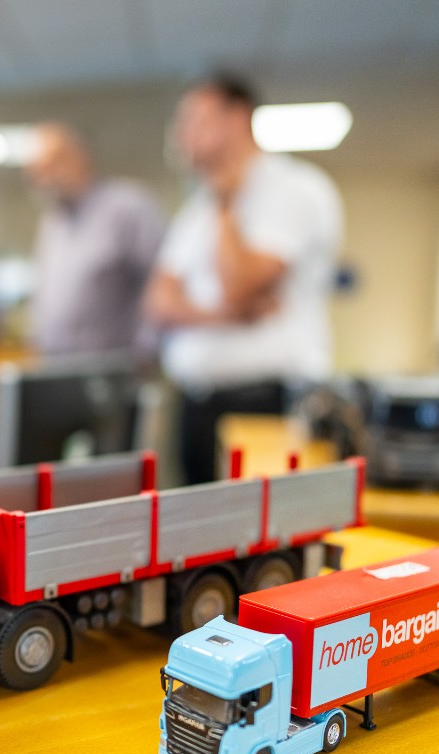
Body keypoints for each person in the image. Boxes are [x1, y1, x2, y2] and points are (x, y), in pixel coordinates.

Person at [144, 74, 343, 484]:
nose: (182, 134)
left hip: (264, 405)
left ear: (237, 118)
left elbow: (238, 283)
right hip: (196, 404)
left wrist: (226, 206)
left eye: (194, 120)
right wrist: (224, 316)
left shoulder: (295, 189)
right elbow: (158, 301)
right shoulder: (196, 206)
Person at [27, 123, 165, 357]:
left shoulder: (126, 208)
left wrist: (148, 351)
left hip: (112, 370)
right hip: (57, 366)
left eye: (53, 163)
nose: (44, 178)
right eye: (36, 170)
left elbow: (161, 283)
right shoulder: (52, 223)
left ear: (81, 157)